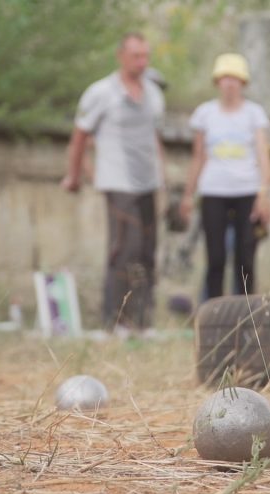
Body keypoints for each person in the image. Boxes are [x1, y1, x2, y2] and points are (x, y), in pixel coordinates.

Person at [62, 32, 166, 332]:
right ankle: (117, 320)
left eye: (145, 56)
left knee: (147, 250)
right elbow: (80, 136)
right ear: (121, 56)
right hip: (118, 181)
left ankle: (143, 321)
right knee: (125, 249)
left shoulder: (154, 94)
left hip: (148, 182)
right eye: (136, 56)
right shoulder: (101, 92)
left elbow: (154, 138)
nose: (142, 62)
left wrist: (163, 176)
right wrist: (75, 175)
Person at [179, 53, 270, 301]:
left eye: (235, 79)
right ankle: (213, 313)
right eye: (225, 78)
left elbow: (263, 155)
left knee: (245, 256)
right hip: (214, 191)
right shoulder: (205, 114)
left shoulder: (254, 114)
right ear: (217, 82)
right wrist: (188, 195)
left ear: (243, 83)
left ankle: (245, 314)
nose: (230, 84)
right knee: (216, 257)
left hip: (246, 190)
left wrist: (263, 193)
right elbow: (198, 157)